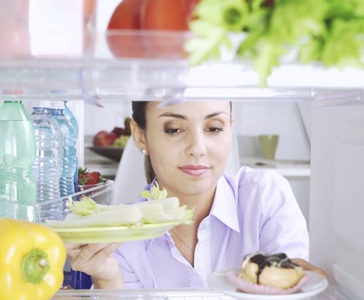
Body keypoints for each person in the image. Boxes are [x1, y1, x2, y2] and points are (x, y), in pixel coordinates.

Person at [66, 100, 327, 289]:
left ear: (230, 128)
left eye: (214, 128)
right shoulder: (122, 243)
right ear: (140, 136)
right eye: (174, 129)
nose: (197, 148)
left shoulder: (265, 198)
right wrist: (107, 278)